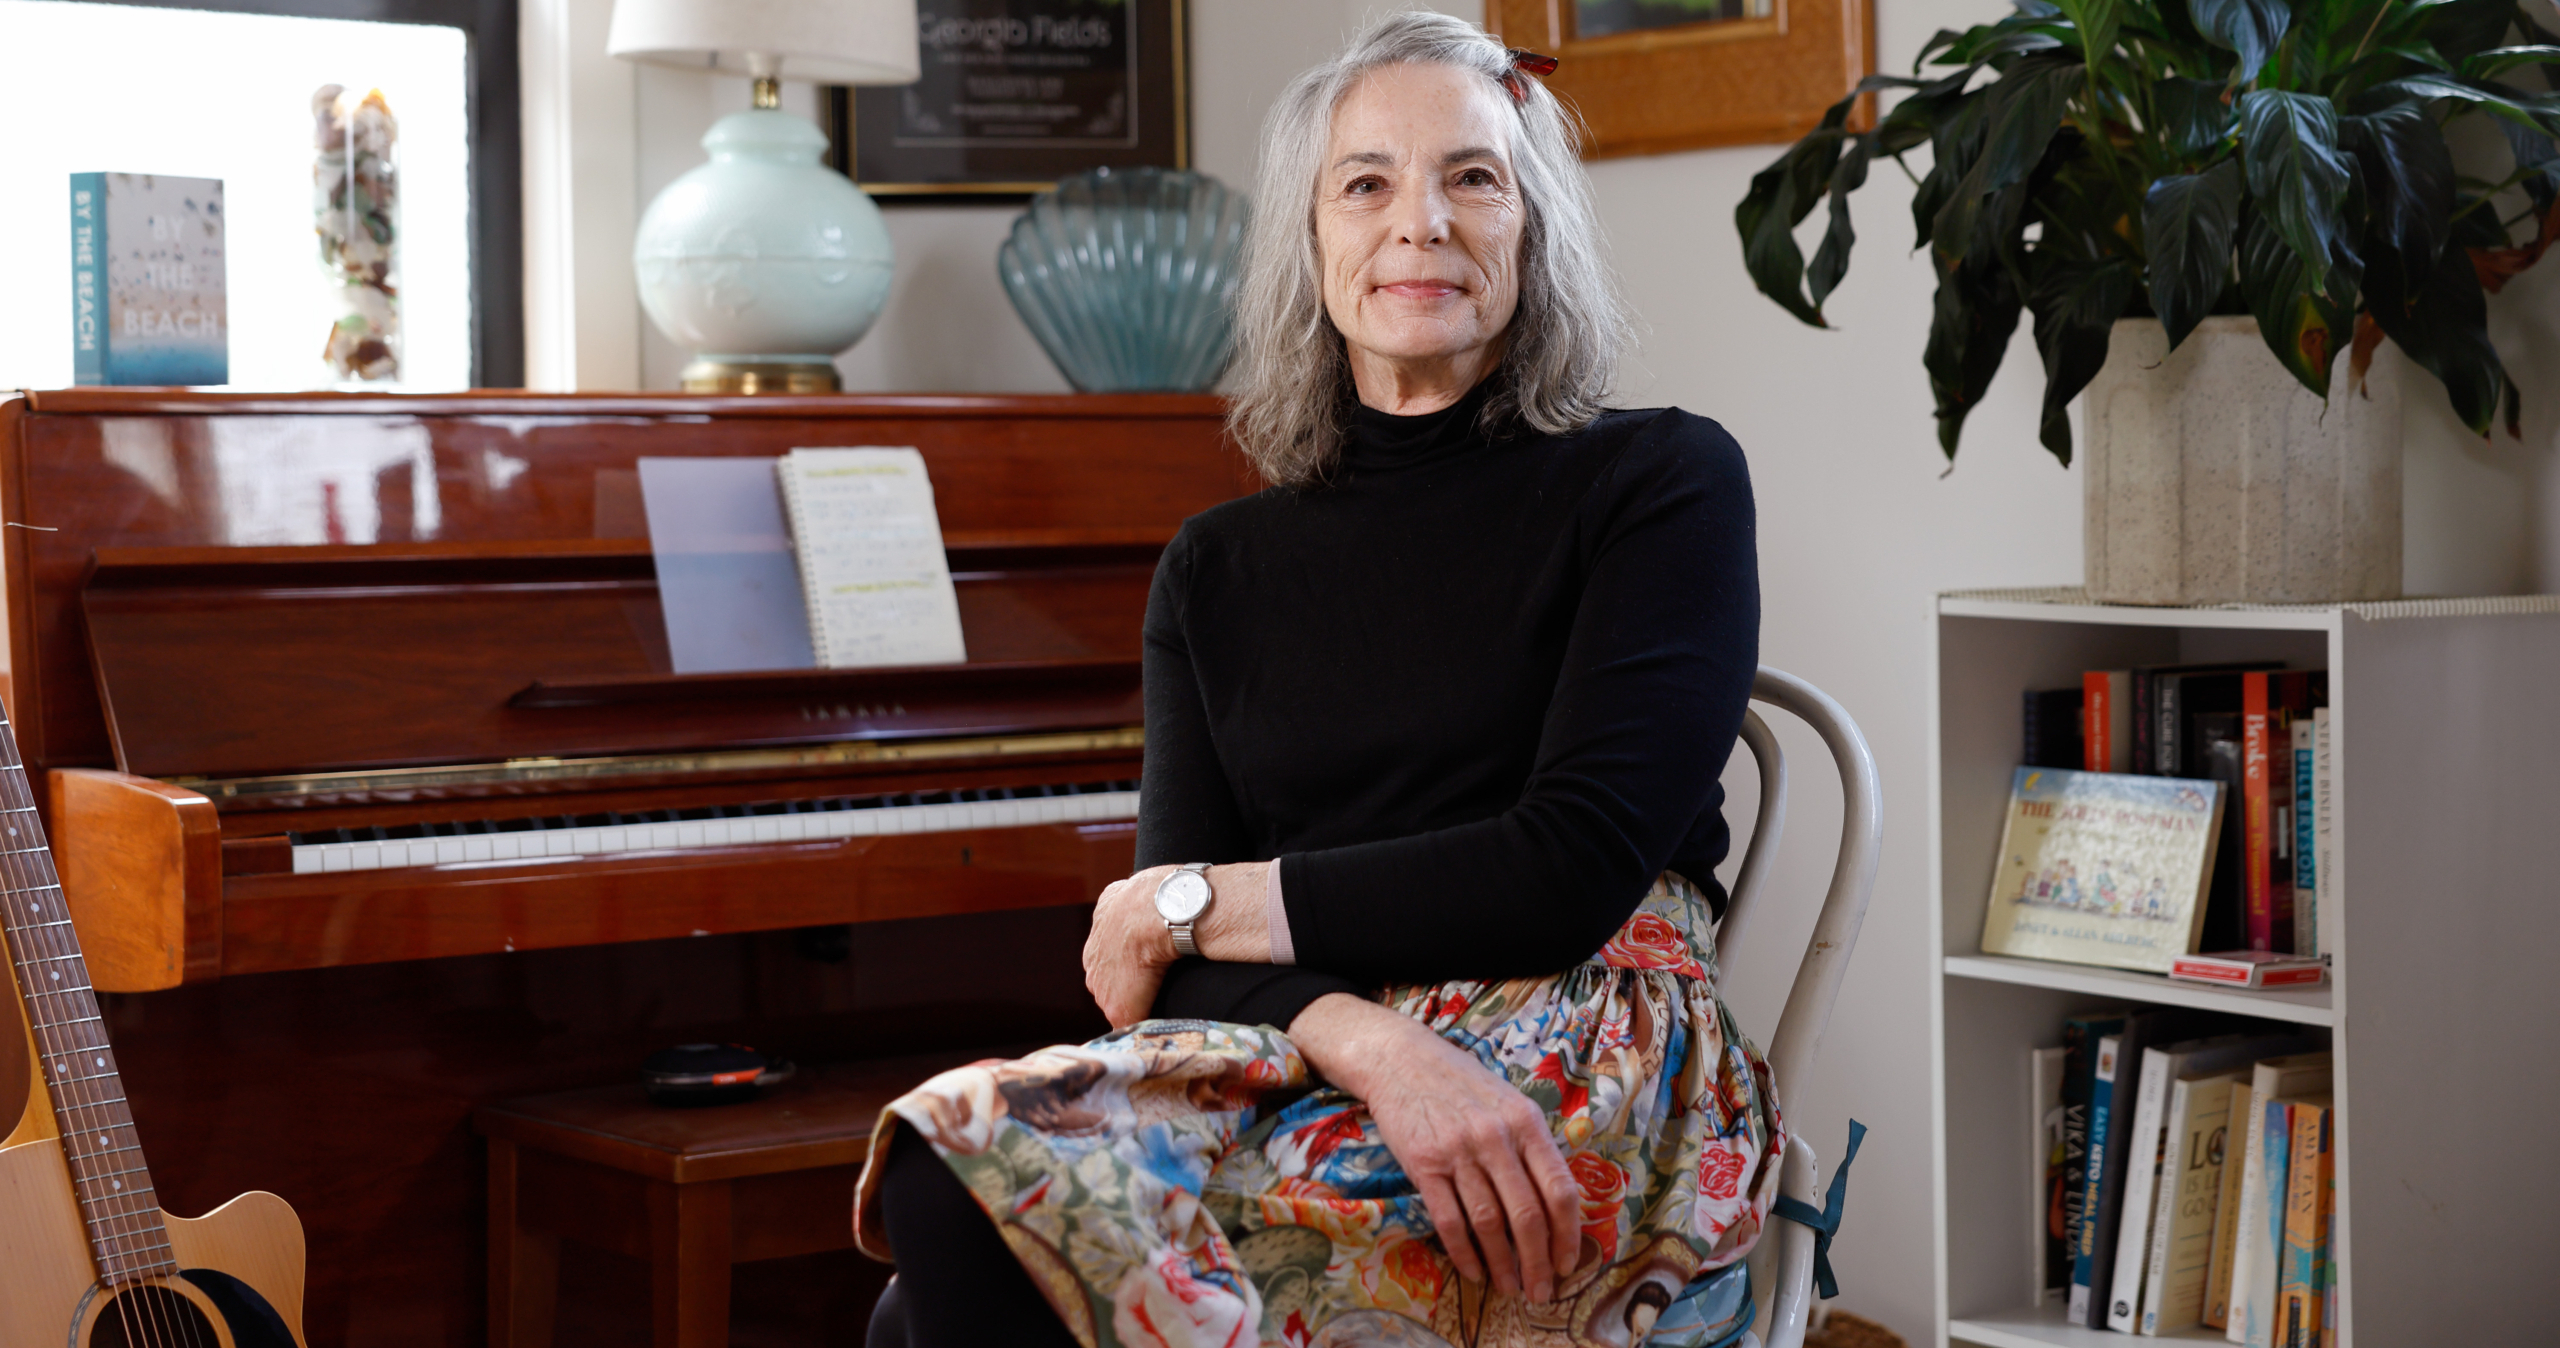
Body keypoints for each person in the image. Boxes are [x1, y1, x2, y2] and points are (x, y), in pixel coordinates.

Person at [853, 13, 1778, 1347]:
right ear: (1311, 240)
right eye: (1367, 182)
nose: (1424, 222)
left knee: (940, 1288)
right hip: (1312, 1046)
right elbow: (1160, 975)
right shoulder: (1215, 566)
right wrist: (1374, 1044)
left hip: (1575, 1047)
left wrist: (1203, 904)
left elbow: (1567, 864)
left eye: (1475, 177)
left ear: (1534, 230)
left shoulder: (1661, 480)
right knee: (951, 1192)